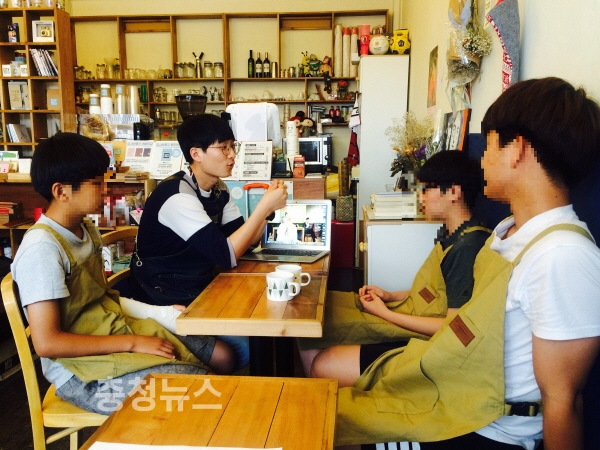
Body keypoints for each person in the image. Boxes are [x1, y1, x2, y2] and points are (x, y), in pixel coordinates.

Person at [334, 77, 600, 450]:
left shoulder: (563, 256)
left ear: (516, 150)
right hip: (453, 386)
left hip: (485, 426)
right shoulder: (507, 234)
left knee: (329, 418)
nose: (482, 160)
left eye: (488, 146)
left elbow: (563, 401)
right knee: (327, 405)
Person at [11, 132, 233, 415]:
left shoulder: (85, 228)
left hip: (111, 326)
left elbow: (101, 298)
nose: (105, 190)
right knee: (204, 395)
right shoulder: (42, 248)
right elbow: (47, 343)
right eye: (96, 184)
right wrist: (133, 343)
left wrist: (159, 313)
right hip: (81, 373)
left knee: (223, 356)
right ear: (61, 191)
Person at [299, 150, 491, 381]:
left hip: (424, 337)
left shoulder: (467, 248)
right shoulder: (453, 235)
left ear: (453, 192)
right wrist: (390, 296)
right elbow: (437, 293)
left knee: (320, 325)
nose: (420, 198)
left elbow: (451, 327)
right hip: (408, 311)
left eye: (426, 190)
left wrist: (385, 313)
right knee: (313, 311)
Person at [129, 114, 287, 370]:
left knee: (264, 327)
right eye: (223, 148)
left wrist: (268, 211)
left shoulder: (218, 189)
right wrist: (262, 208)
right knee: (246, 346)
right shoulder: (177, 196)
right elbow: (228, 255)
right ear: (196, 154)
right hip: (165, 296)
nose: (232, 155)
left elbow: (247, 242)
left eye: (233, 146)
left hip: (198, 288)